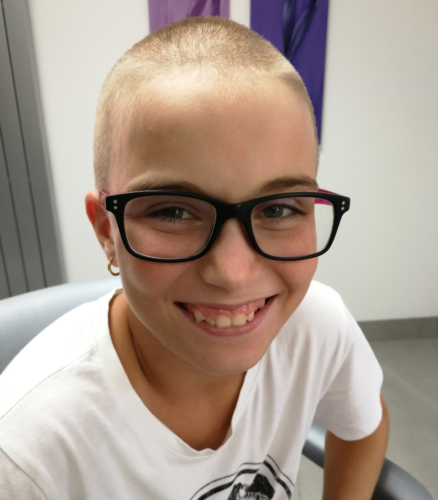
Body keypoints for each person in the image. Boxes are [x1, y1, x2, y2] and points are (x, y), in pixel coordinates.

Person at [0, 16, 388, 499]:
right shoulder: (25, 455)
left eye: (279, 208)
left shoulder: (316, 325)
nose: (233, 273)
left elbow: (364, 424)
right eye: (174, 211)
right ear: (106, 231)